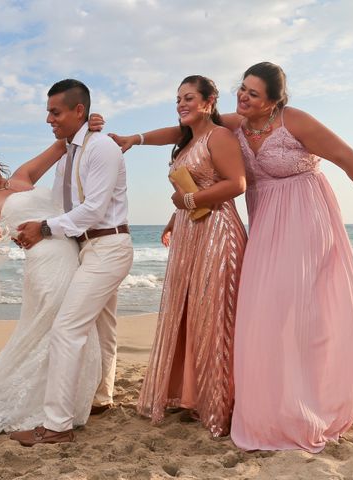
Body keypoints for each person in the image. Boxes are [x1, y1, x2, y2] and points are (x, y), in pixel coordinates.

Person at [111, 62, 353, 452]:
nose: (243, 97)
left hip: (306, 216)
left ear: (273, 101)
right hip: (264, 224)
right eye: (242, 89)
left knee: (299, 308)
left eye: (253, 94)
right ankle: (269, 400)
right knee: (261, 312)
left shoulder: (295, 121)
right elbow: (182, 130)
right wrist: (135, 138)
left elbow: (345, 155)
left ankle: (312, 398)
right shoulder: (237, 123)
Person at [0, 137, 101, 436]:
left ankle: (62, 401)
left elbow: (62, 145)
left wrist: (89, 125)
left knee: (66, 328)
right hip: (45, 266)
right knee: (58, 330)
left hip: (72, 255)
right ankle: (51, 407)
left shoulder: (23, 176)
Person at [10, 79, 134, 446]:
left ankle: (57, 426)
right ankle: (101, 397)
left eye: (55, 112)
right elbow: (60, 203)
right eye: (48, 111)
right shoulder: (71, 154)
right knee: (102, 327)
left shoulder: (102, 149)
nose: (49, 118)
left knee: (67, 329)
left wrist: (44, 229)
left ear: (78, 111)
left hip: (108, 246)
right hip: (87, 248)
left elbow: (93, 209)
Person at [130, 76, 247, 437]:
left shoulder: (219, 136)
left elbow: (236, 184)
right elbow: (189, 188)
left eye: (189, 98)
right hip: (189, 232)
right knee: (190, 313)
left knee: (214, 314)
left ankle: (220, 404)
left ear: (210, 102)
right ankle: (192, 397)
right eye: (178, 98)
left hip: (217, 231)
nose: (181, 104)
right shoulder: (186, 143)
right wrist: (173, 217)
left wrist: (190, 203)